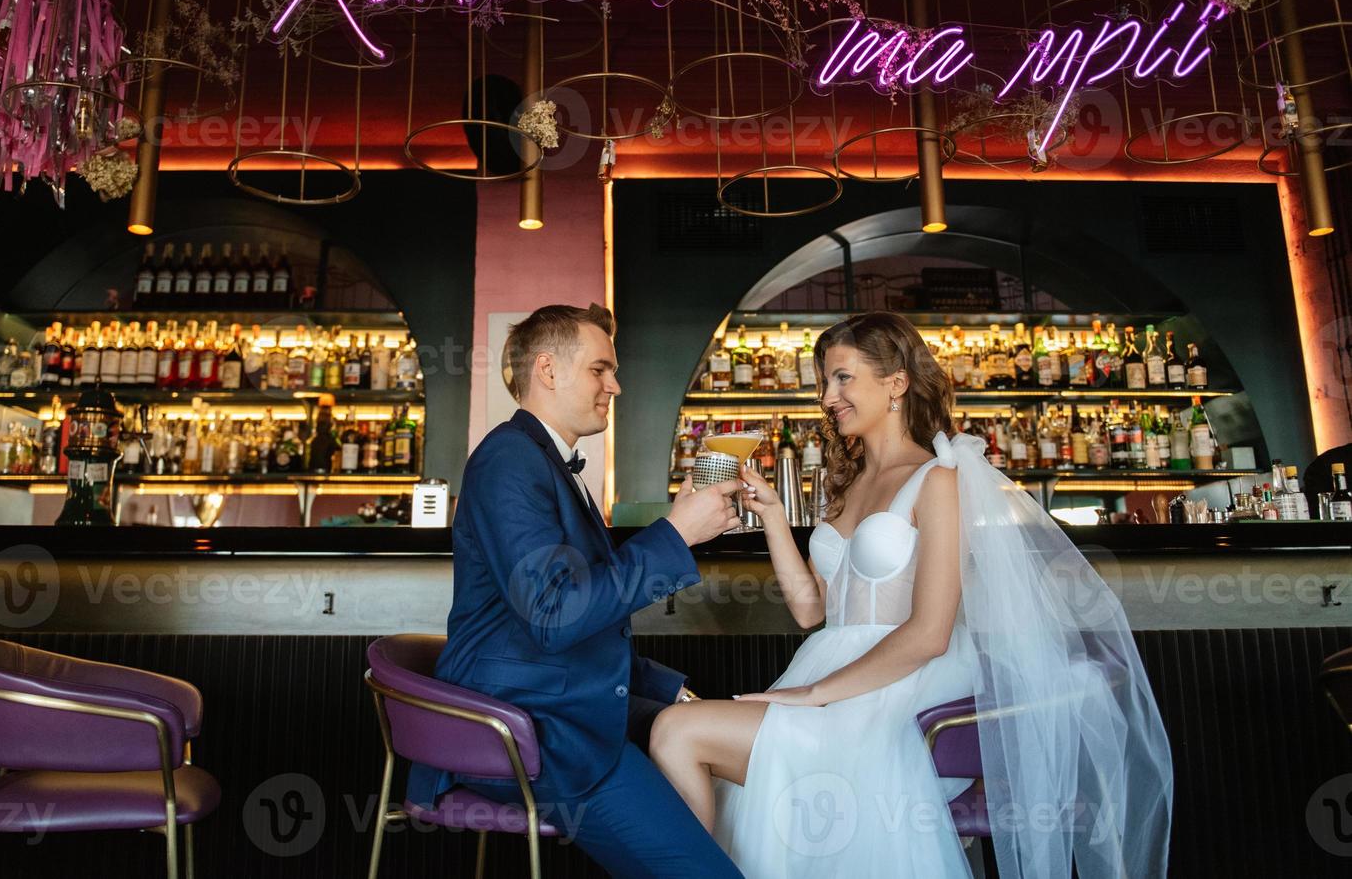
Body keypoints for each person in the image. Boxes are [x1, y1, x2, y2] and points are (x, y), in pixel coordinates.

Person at [649, 311, 1173, 878]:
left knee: (678, 730)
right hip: (834, 673)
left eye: (843, 378)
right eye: (824, 381)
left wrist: (813, 695)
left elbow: (929, 634)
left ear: (896, 382)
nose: (828, 396)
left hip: (901, 694)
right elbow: (811, 610)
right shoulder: (844, 482)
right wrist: (775, 518)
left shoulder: (938, 478)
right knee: (680, 735)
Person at [406, 303, 746, 878]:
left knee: (734, 762)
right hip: (529, 729)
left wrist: (675, 692)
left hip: (559, 699)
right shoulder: (509, 461)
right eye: (600, 369)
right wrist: (678, 532)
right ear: (548, 369)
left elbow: (589, 618)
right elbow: (554, 614)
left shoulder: (548, 463)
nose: (615, 384)